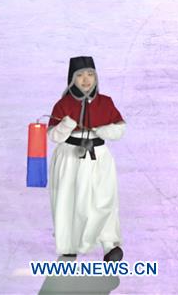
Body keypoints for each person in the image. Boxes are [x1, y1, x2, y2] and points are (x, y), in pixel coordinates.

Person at [48, 56, 125, 261]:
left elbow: (120, 128)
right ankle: (68, 245)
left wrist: (103, 130)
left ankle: (110, 246)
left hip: (99, 157)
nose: (86, 80)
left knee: (104, 200)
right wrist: (67, 124)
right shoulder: (63, 104)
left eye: (90, 74)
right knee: (69, 201)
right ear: (72, 79)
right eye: (80, 75)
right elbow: (53, 136)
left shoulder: (105, 102)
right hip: (70, 158)